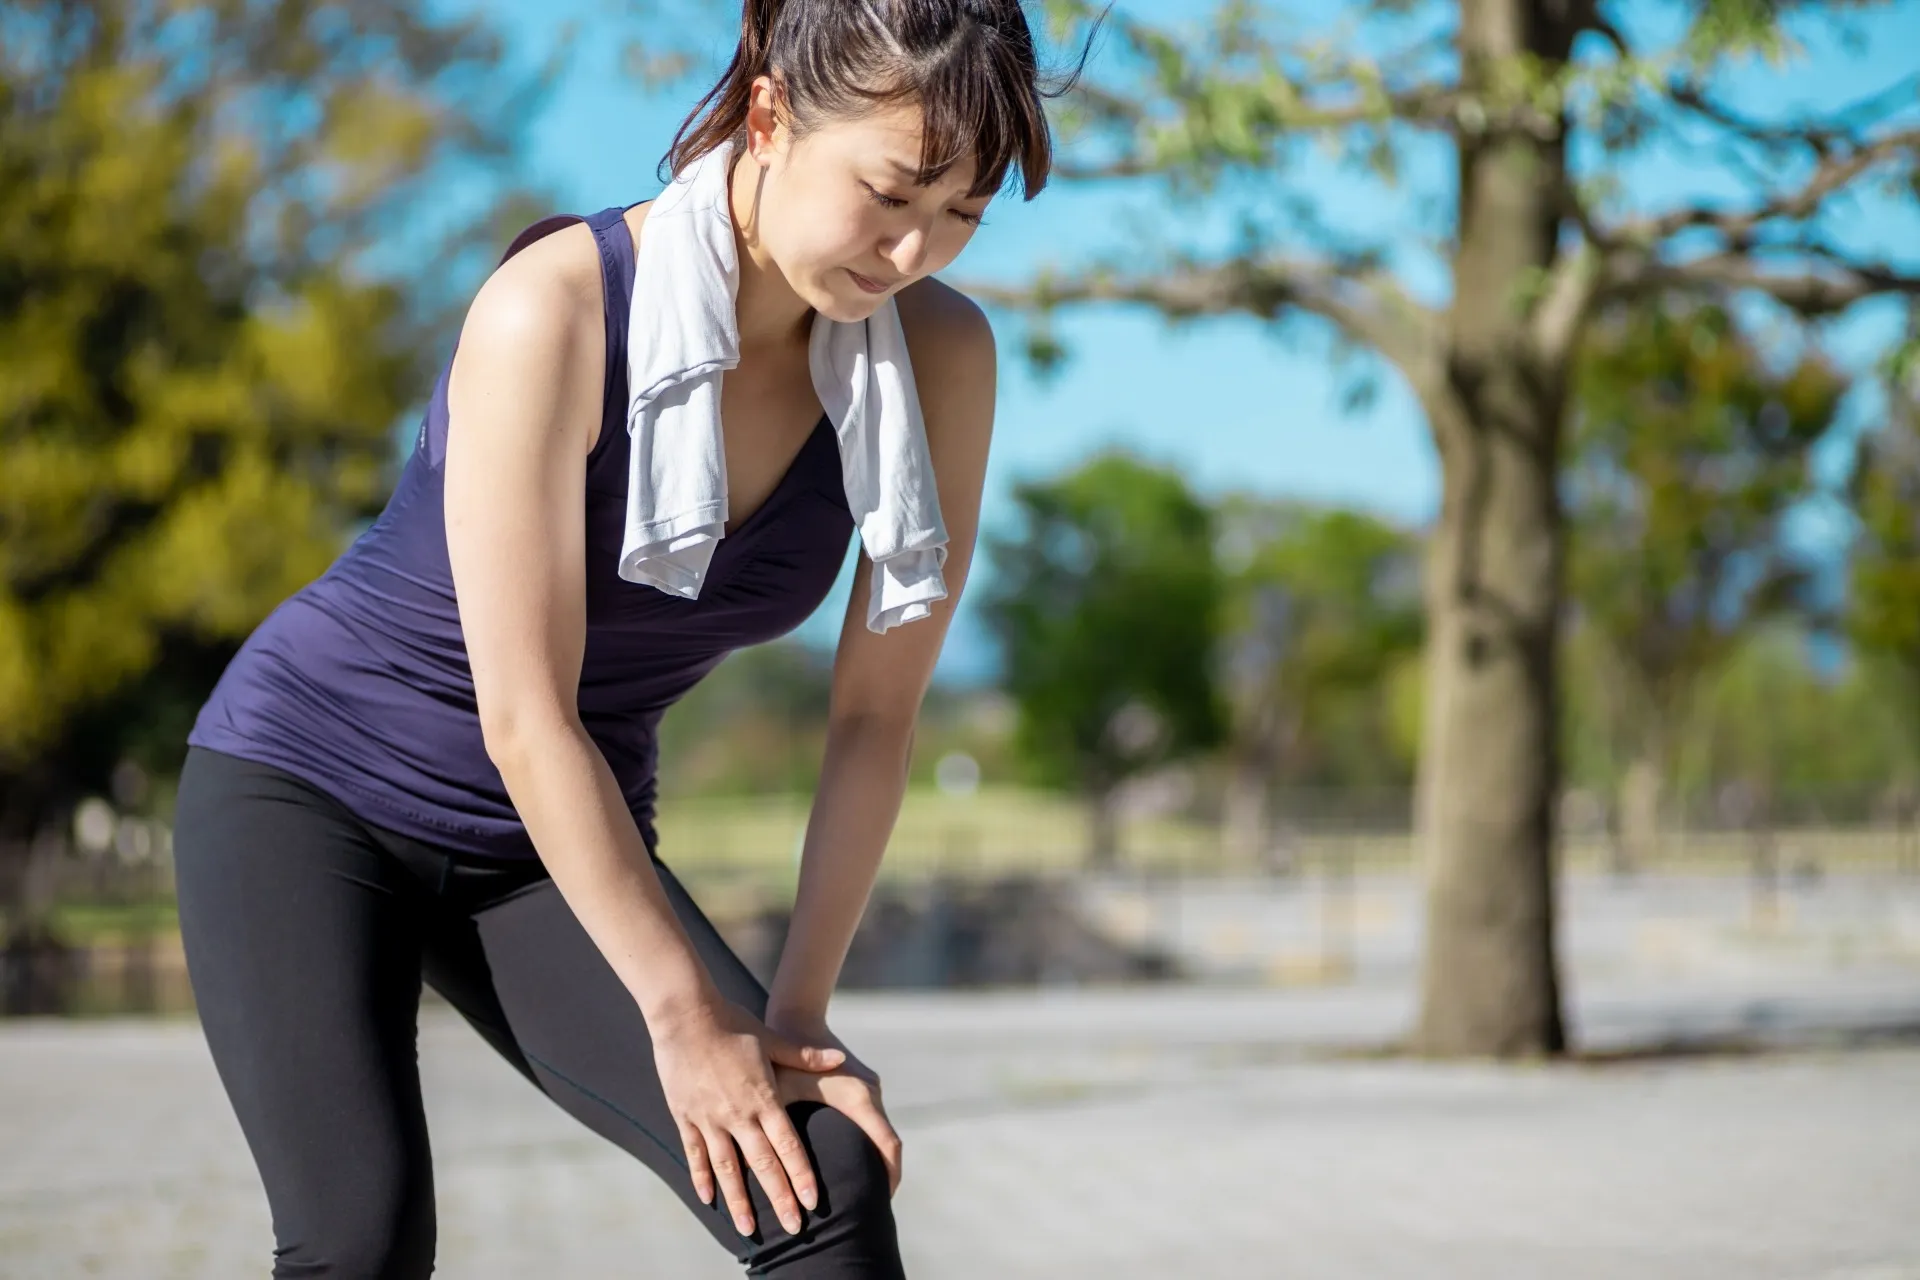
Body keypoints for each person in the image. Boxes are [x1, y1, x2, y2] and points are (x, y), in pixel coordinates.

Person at [169, 1, 1086, 1274]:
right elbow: (524, 714)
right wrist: (678, 1011)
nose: (913, 250)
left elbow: (876, 713)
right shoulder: (551, 310)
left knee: (821, 1177)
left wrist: (796, 1020)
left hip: (551, 838)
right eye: (890, 192)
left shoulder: (939, 360)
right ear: (770, 114)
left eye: (962, 216)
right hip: (310, 787)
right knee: (359, 1235)